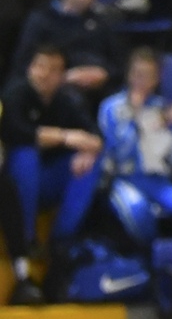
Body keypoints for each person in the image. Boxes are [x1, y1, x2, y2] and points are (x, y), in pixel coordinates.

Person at [0, 46, 100, 275]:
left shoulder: (66, 100)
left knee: (90, 162)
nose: (44, 74)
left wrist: (88, 151)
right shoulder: (15, 94)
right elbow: (17, 132)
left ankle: (61, 240)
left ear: (63, 75)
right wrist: (64, 137)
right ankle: (27, 239)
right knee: (26, 154)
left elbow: (95, 136)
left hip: (47, 181)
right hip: (13, 187)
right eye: (40, 66)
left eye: (53, 70)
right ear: (30, 69)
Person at [100, 48, 172, 246]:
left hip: (160, 182)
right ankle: (148, 254)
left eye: (148, 76)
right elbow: (117, 154)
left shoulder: (164, 109)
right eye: (137, 74)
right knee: (138, 211)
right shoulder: (112, 108)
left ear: (157, 79)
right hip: (124, 180)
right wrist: (134, 118)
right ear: (129, 75)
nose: (141, 82)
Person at [10, 0, 118, 98]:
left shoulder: (102, 23)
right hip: (53, 86)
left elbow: (117, 63)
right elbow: (23, 62)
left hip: (97, 88)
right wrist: (62, 77)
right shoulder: (42, 19)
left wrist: (105, 74)